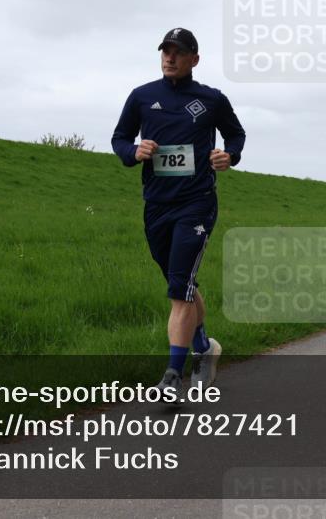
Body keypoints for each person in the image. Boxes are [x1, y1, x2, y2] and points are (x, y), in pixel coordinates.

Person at [111, 27, 246, 400]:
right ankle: (205, 347)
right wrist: (133, 152)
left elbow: (236, 135)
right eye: (165, 51)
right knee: (180, 284)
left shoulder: (211, 99)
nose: (169, 57)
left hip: (196, 202)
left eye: (178, 52)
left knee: (179, 287)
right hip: (156, 205)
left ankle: (173, 375)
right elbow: (119, 138)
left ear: (194, 59)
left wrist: (228, 155)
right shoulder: (142, 97)